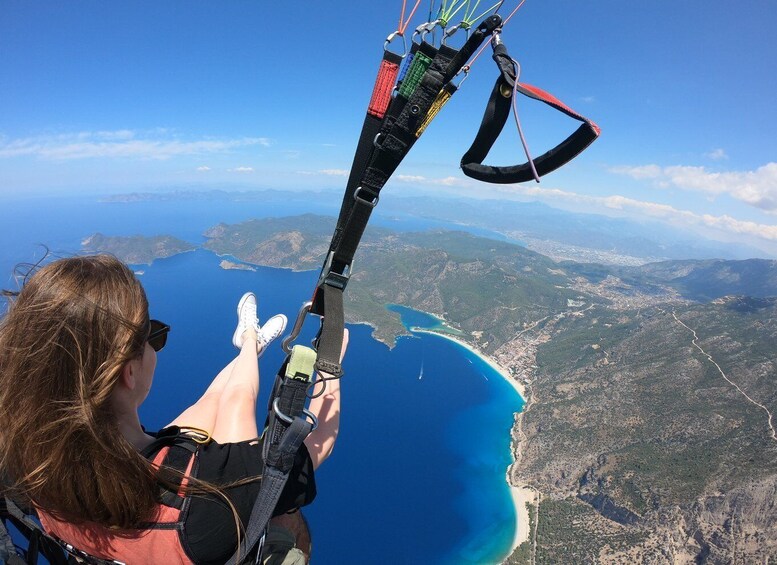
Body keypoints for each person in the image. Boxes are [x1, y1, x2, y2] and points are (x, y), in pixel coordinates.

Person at [0, 254, 345, 564]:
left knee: (208, 406)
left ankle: (248, 345)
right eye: (153, 335)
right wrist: (332, 361)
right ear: (128, 373)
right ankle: (249, 345)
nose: (156, 343)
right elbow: (320, 443)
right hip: (202, 530)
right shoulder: (220, 494)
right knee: (281, 507)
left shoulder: (24, 465)